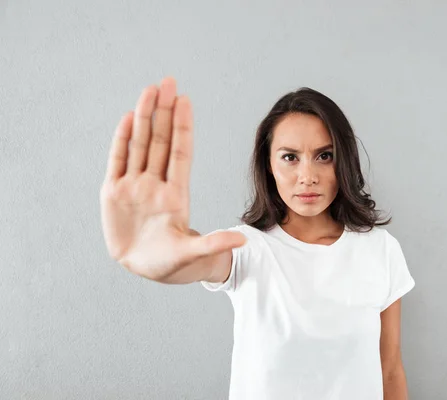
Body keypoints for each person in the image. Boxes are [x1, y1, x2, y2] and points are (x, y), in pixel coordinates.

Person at [100, 76, 416, 399]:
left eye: (325, 156)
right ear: (268, 166)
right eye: (290, 157)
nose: (307, 176)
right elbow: (198, 262)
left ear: (344, 161)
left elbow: (390, 368)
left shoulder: (381, 250)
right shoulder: (245, 248)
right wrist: (155, 255)